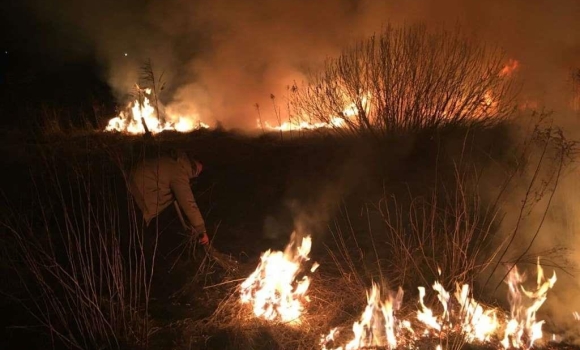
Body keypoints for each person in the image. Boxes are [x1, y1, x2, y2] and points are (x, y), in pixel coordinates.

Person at [128, 149, 208, 299]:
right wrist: (200, 229)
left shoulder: (171, 162)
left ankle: (142, 282)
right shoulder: (178, 171)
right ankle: (145, 289)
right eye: (197, 170)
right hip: (135, 197)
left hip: (133, 191)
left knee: (141, 242)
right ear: (192, 164)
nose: (196, 174)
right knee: (140, 246)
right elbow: (188, 202)